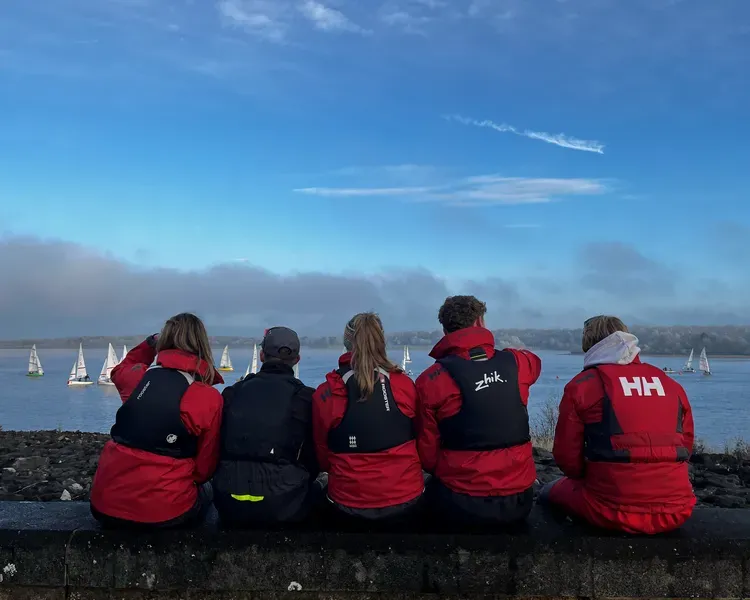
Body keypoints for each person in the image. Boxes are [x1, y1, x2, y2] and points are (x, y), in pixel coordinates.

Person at [543, 315, 695, 534]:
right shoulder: (670, 384)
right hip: (676, 510)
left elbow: (568, 459)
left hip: (609, 509)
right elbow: (686, 446)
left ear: (589, 344)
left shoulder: (582, 386)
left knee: (549, 493)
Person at [416, 295, 541, 526]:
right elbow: (534, 362)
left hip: (459, 499)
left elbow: (427, 454)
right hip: (518, 500)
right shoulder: (518, 363)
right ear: (480, 322)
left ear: (445, 331)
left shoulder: (430, 380)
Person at [90, 313, 224, 529]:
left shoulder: (138, 378)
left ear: (163, 341)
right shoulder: (207, 397)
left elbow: (121, 369)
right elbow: (204, 469)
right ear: (202, 346)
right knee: (208, 489)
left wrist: (149, 345)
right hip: (164, 513)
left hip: (104, 506)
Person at [312, 312, 424, 525]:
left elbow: (323, 455)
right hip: (406, 497)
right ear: (381, 340)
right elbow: (420, 438)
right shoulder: (405, 385)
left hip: (347, 502)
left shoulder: (326, 393)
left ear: (346, 343)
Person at [212, 326, 321, 528]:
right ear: (297, 360)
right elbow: (316, 457)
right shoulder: (306, 398)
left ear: (261, 356)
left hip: (229, 502)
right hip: (286, 506)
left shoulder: (231, 393)